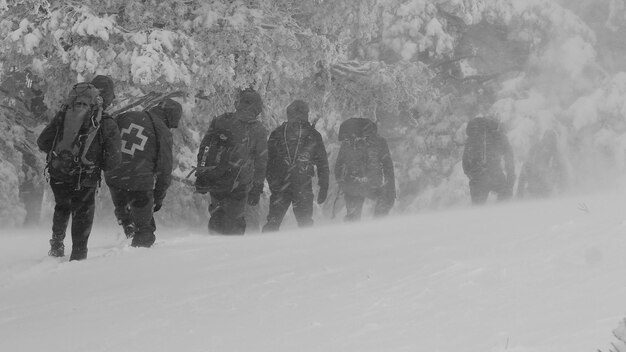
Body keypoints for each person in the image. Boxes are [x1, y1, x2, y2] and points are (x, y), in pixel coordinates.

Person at [37, 75, 121, 260]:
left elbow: (43, 141)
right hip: (85, 175)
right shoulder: (107, 123)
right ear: (107, 97)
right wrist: (98, 163)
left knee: (62, 206)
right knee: (82, 212)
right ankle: (78, 255)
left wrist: (63, 155)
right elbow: (114, 161)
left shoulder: (65, 114)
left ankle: (57, 245)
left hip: (58, 171)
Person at [104, 98, 182, 248]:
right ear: (169, 118)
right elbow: (165, 170)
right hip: (139, 180)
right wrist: (157, 199)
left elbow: (107, 137)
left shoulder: (126, 116)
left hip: (114, 175)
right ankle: (139, 256)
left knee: (124, 209)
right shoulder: (163, 131)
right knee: (145, 229)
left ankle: (126, 221)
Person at [195, 89, 268, 235]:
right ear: (257, 108)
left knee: (217, 215)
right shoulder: (258, 129)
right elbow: (261, 161)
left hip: (215, 177)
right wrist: (257, 187)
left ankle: (212, 247)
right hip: (240, 181)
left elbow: (205, 148)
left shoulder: (221, 120)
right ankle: (233, 253)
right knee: (236, 219)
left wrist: (201, 173)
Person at [262, 100, 329, 232]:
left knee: (273, 223)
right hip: (301, 185)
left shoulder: (278, 133)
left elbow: (267, 162)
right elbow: (322, 164)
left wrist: (273, 183)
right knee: (305, 224)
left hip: (282, 186)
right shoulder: (313, 135)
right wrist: (324, 185)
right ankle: (307, 250)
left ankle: (265, 248)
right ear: (306, 113)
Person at [334, 118, 395, 221]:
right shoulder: (379, 142)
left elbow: (338, 166)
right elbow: (388, 167)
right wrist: (390, 190)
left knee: (353, 219)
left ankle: (357, 233)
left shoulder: (347, 143)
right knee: (381, 213)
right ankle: (377, 229)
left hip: (353, 184)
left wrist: (343, 183)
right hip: (372, 184)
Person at [462, 116, 515, 204]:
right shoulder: (499, 137)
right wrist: (510, 180)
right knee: (504, 204)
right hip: (496, 175)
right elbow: (509, 158)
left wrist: (473, 176)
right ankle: (501, 214)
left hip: (478, 178)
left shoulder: (471, 139)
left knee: (478, 210)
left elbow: (465, 163)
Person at [517, 130, 565, 198]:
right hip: (538, 184)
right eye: (547, 137)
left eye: (550, 138)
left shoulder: (554, 151)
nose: (548, 141)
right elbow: (526, 165)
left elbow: (559, 168)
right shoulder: (536, 148)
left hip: (542, 185)